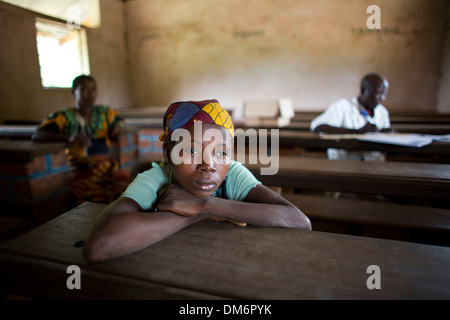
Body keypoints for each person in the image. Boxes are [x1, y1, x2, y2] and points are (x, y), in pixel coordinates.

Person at [83, 99, 311, 263]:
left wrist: (204, 205)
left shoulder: (232, 174)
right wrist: (196, 216)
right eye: (191, 150)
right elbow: (99, 246)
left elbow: (300, 222)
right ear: (167, 154)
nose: (208, 164)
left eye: (221, 152)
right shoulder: (156, 178)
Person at [33, 75, 128, 204]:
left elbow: (120, 121)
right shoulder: (64, 117)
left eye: (93, 89)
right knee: (94, 198)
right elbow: (38, 135)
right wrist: (70, 138)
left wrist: (118, 128)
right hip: (82, 170)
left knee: (128, 187)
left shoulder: (105, 113)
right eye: (84, 89)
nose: (90, 94)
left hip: (106, 168)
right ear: (74, 91)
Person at [310, 73, 391, 161]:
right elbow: (318, 127)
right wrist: (357, 132)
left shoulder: (382, 112)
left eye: (384, 94)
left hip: (374, 163)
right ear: (363, 90)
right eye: (377, 94)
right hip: (345, 163)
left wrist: (388, 134)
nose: (382, 98)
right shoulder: (342, 106)